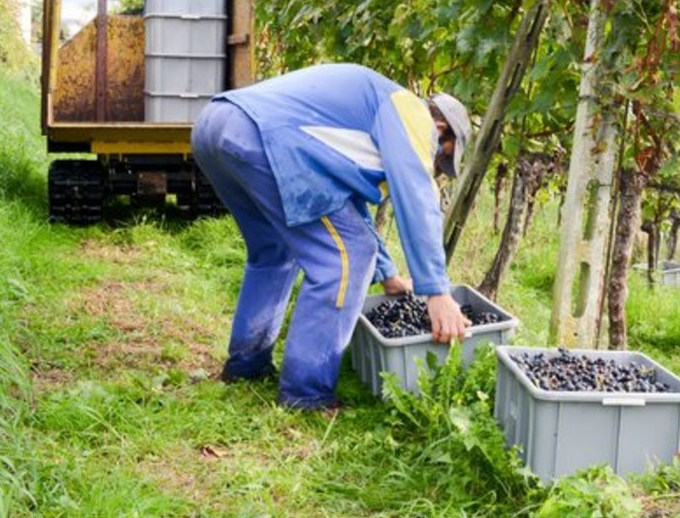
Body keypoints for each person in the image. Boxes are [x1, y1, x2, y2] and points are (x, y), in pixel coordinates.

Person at [191, 63, 474, 410]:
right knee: (346, 259)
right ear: (440, 128)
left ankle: (247, 366)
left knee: (276, 253)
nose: (435, 164)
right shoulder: (410, 112)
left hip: (217, 124)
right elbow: (417, 197)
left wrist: (387, 274)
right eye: (441, 155)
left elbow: (347, 205)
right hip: (267, 138)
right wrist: (437, 291)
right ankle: (306, 395)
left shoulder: (367, 117)